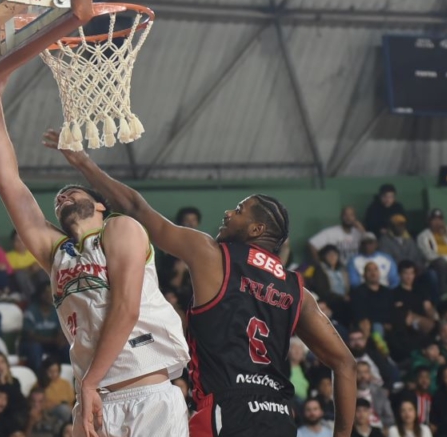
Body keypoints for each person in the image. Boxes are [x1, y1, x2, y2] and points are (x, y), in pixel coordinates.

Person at [39, 118, 360, 437]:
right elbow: (345, 364)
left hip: (225, 411)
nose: (228, 213)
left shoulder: (212, 255)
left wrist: (83, 162)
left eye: (239, 210)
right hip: (278, 417)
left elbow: (136, 208)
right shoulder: (297, 291)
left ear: (257, 229)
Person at [0, 83, 193, 437]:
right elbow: (10, 186)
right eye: (58, 199)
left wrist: (89, 384)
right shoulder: (58, 254)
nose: (62, 197)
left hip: (146, 394)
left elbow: (126, 308)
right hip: (96, 401)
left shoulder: (121, 228)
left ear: (99, 205)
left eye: (72, 192)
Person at [20, 282, 67, 371]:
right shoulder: (31, 311)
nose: (51, 295)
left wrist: (60, 339)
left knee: (67, 348)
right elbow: (31, 336)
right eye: (48, 292)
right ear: (41, 295)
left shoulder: (56, 311)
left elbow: (61, 331)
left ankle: (67, 375)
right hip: (32, 344)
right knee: (35, 348)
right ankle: (39, 375)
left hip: (52, 344)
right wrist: (52, 340)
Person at [350, 262, 395, 337]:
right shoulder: (359, 292)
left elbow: (392, 310)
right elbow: (360, 313)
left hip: (388, 323)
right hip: (371, 325)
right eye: (369, 270)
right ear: (364, 275)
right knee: (377, 326)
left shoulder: (387, 292)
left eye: (375, 270)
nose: (373, 273)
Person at [5, 230, 48, 302]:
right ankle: (32, 298)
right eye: (17, 241)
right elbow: (11, 272)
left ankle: (46, 296)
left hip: (35, 279)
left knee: (42, 272)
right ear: (13, 242)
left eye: (22, 240)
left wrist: (37, 266)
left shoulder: (34, 252)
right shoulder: (8, 256)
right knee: (20, 274)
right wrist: (29, 269)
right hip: (20, 283)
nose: (20, 243)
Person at [0, 353, 26, 424]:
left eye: (2, 362)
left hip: (10, 414)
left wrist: (3, 381)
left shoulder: (14, 381)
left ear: (7, 365)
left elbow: (17, 401)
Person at [356, 361, 394, 431]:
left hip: (377, 428)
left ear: (370, 374)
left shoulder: (380, 392)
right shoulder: (348, 394)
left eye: (366, 372)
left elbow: (389, 417)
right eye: (359, 372)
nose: (363, 376)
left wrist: (385, 427)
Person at [38, 358, 75, 422]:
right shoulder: (40, 385)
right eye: (51, 371)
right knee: (63, 409)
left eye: (56, 371)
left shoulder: (65, 383)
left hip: (68, 410)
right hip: (50, 413)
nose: (54, 374)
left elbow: (72, 400)